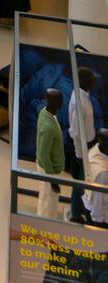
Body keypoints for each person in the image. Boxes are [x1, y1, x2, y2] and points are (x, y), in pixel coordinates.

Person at [67, 67, 97, 222]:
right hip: (82, 149)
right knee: (79, 183)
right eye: (91, 80)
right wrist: (80, 155)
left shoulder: (82, 95)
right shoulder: (80, 102)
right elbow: (77, 131)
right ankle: (76, 214)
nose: (93, 82)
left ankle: (79, 210)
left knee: (83, 181)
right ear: (85, 82)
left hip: (86, 146)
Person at [36, 87, 66, 218]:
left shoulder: (45, 113)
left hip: (50, 169)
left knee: (47, 200)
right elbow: (43, 154)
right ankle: (43, 234)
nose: (62, 102)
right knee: (47, 204)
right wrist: (52, 180)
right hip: (49, 171)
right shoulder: (49, 127)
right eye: (59, 100)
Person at [83, 130, 108, 228]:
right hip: (101, 216)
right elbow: (97, 199)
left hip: (90, 203)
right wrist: (98, 222)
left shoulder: (96, 148)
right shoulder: (102, 173)